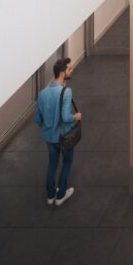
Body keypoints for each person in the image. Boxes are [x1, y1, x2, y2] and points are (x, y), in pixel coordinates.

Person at [34, 56, 82, 206]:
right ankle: (61, 195)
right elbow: (66, 117)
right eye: (69, 69)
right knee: (67, 162)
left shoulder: (42, 93)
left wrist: (48, 126)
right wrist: (76, 116)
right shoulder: (66, 92)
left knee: (52, 164)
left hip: (49, 137)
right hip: (64, 136)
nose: (71, 70)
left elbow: (37, 118)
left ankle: (50, 195)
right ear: (62, 73)